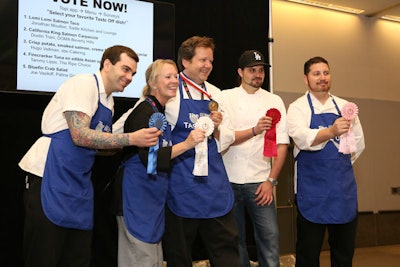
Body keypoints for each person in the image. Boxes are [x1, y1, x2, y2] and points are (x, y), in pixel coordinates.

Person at [18, 45, 161, 267]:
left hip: (78, 185)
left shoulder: (109, 103)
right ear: (106, 64)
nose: (129, 77)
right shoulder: (83, 84)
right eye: (125, 69)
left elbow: (97, 146)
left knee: (77, 257)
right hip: (50, 176)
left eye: (133, 73)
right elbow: (80, 135)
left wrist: (129, 144)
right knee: (44, 256)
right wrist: (131, 139)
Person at [112, 59, 206, 267]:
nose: (174, 81)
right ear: (153, 83)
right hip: (135, 197)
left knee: (153, 259)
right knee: (140, 258)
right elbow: (151, 159)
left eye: (175, 76)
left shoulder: (159, 112)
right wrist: (188, 143)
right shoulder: (144, 112)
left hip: (151, 198)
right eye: (168, 76)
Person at [162, 36, 241, 267]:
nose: (208, 65)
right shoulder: (171, 90)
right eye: (202, 60)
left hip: (214, 186)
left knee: (227, 252)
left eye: (211, 61)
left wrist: (217, 128)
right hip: (181, 185)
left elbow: (228, 137)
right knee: (179, 255)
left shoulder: (217, 94)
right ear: (185, 62)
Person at [286, 56, 365, 267]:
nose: (322, 78)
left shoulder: (345, 107)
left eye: (326, 73)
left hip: (342, 191)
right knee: (308, 254)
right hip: (311, 192)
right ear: (306, 79)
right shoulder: (297, 108)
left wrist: (339, 163)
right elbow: (300, 138)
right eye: (316, 73)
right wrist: (330, 132)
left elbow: (358, 144)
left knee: (343, 254)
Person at [221, 50, 289, 267]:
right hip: (229, 181)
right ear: (240, 72)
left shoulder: (274, 100)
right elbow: (224, 139)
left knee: (269, 239)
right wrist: (255, 129)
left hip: (261, 182)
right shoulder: (225, 97)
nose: (257, 75)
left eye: (261, 70)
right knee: (235, 240)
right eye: (252, 70)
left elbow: (282, 144)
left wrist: (271, 181)